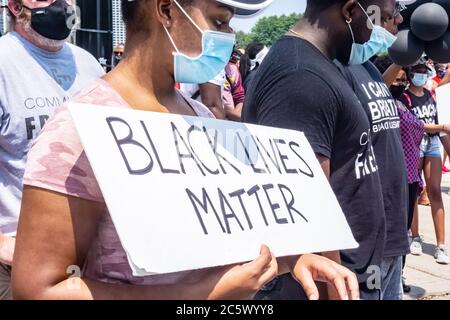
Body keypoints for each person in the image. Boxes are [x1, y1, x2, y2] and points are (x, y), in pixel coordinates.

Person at [11, 0, 359, 300]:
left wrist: (290, 260)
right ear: (166, 10)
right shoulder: (77, 131)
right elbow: (39, 289)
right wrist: (196, 295)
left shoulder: (203, 118)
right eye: (219, 20)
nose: (230, 36)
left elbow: (225, 234)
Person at [243, 0, 389, 300]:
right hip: (327, 284)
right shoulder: (301, 76)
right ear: (349, 11)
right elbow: (308, 207)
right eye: (378, 17)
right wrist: (335, 292)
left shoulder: (321, 64)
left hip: (349, 276)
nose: (381, 28)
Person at [0, 0, 104, 300]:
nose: (64, 3)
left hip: (88, 258)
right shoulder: (4, 63)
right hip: (17, 262)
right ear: (16, 8)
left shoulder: (88, 65)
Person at [336, 0, 408, 300]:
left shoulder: (368, 67)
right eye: (390, 16)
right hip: (358, 249)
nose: (398, 21)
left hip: (391, 239)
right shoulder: (332, 71)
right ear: (353, 12)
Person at [399, 60, 449, 265]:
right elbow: (417, 125)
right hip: (414, 145)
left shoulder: (429, 95)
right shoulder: (404, 97)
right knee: (414, 190)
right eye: (417, 72)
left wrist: (446, 142)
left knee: (435, 190)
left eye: (423, 72)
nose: (421, 75)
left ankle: (441, 244)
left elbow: (437, 126)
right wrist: (442, 126)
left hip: (433, 144)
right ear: (410, 75)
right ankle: (415, 236)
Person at [223, 49, 245, 121]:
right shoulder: (201, 67)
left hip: (228, 123)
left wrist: (234, 115)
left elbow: (239, 97)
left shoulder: (232, 69)